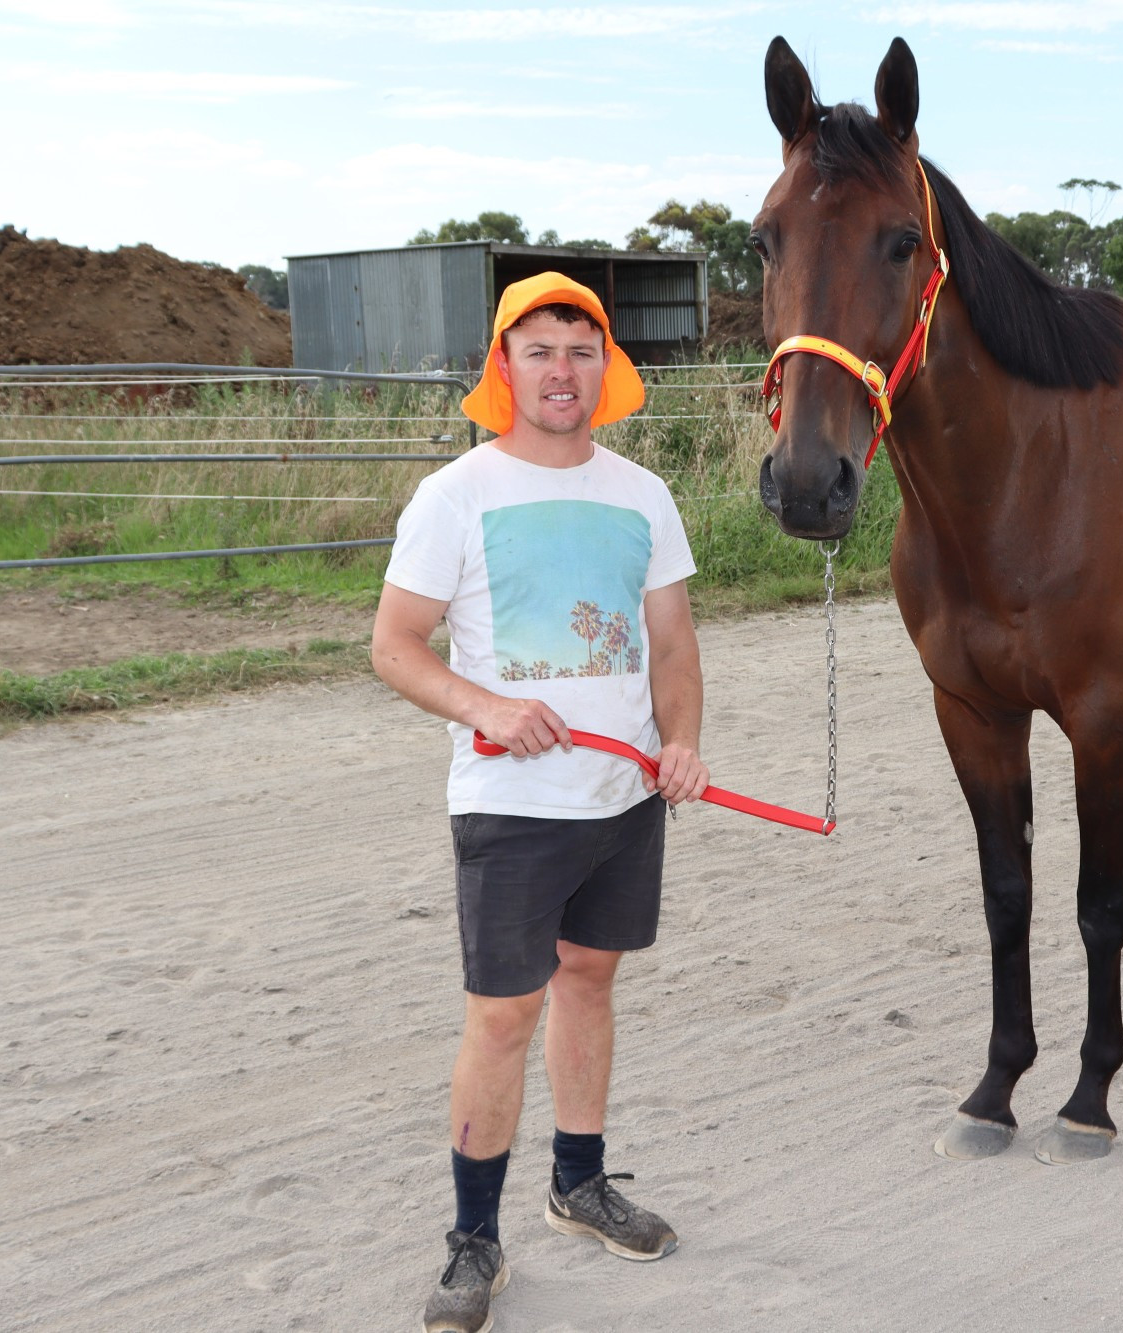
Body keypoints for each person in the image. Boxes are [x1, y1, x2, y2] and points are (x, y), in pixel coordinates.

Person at [372, 272, 708, 1333]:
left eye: (580, 349)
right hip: (510, 804)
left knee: (591, 981)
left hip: (622, 793)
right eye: (539, 350)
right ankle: (473, 1240)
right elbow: (393, 644)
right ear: (502, 369)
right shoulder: (456, 495)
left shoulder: (641, 493)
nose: (561, 370)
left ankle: (579, 1183)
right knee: (505, 1012)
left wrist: (683, 740)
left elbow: (671, 642)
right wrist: (484, 704)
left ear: (605, 369)